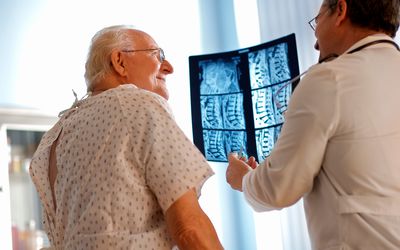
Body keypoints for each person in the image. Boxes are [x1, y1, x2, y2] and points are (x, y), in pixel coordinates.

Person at [29, 25, 223, 250]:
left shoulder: (55, 136)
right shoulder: (140, 106)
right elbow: (189, 228)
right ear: (119, 62)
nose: (169, 68)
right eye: (158, 55)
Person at [226, 0, 400, 249]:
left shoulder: (330, 78)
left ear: (340, 10)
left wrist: (242, 179)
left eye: (316, 21)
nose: (316, 41)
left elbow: (278, 189)